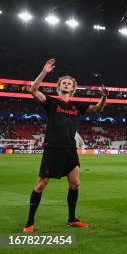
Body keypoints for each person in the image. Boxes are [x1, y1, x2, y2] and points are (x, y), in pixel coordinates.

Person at [23, 58, 108, 233]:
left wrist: (104, 97)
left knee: (75, 183)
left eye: (69, 83)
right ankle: (29, 222)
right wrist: (45, 71)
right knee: (40, 184)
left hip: (70, 149)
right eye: (64, 82)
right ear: (58, 86)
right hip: (53, 147)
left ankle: (72, 218)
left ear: (73, 88)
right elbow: (33, 90)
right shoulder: (52, 102)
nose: (67, 84)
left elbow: (97, 109)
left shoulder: (77, 106)